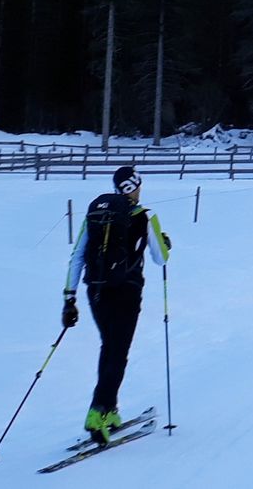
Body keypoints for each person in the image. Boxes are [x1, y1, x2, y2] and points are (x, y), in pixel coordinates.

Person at [62, 165, 172, 443]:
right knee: (118, 351)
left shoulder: (96, 216)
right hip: (127, 291)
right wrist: (164, 242)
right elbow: (161, 258)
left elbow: (77, 256)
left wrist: (69, 298)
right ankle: (97, 411)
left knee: (109, 346)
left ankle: (110, 409)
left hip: (96, 291)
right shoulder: (146, 216)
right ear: (136, 186)